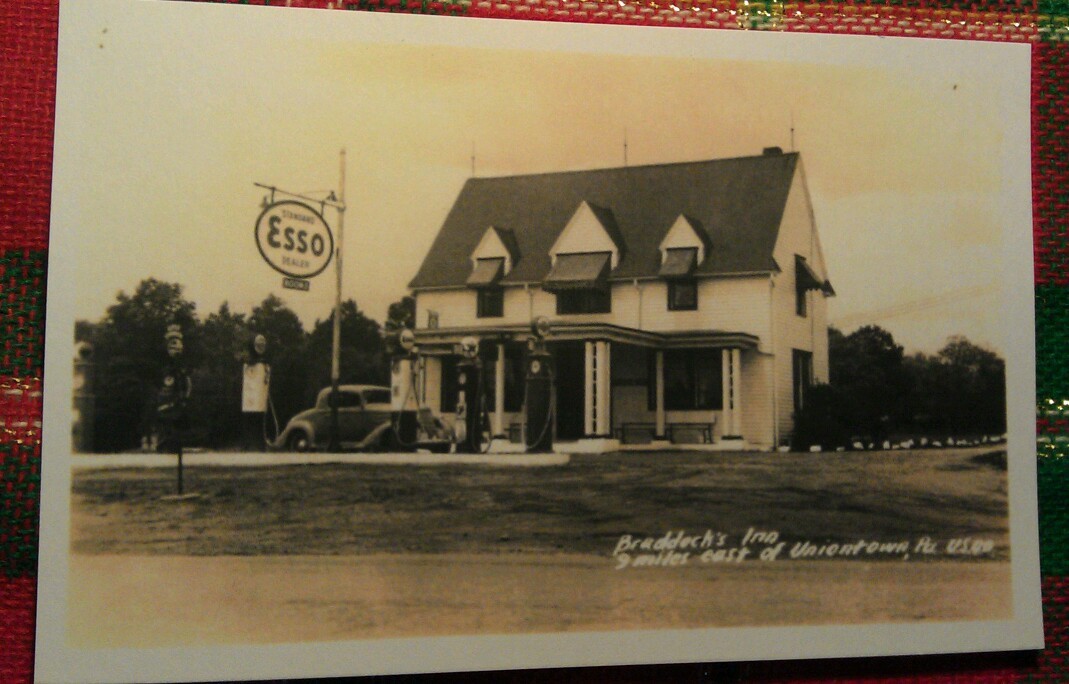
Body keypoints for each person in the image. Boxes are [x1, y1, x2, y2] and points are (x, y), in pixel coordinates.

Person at [156, 324, 191, 454]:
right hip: (167, 397)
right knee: (166, 421)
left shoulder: (179, 366)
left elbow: (186, 381)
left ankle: (171, 445)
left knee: (175, 422)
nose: (176, 347)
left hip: (176, 397)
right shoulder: (166, 364)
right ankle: (164, 445)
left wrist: (184, 396)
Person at [241, 333, 271, 451]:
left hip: (258, 397)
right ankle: (249, 445)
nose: (261, 345)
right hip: (250, 397)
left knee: (259, 420)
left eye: (262, 343)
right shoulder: (249, 362)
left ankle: (258, 445)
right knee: (250, 420)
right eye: (258, 344)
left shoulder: (263, 363)